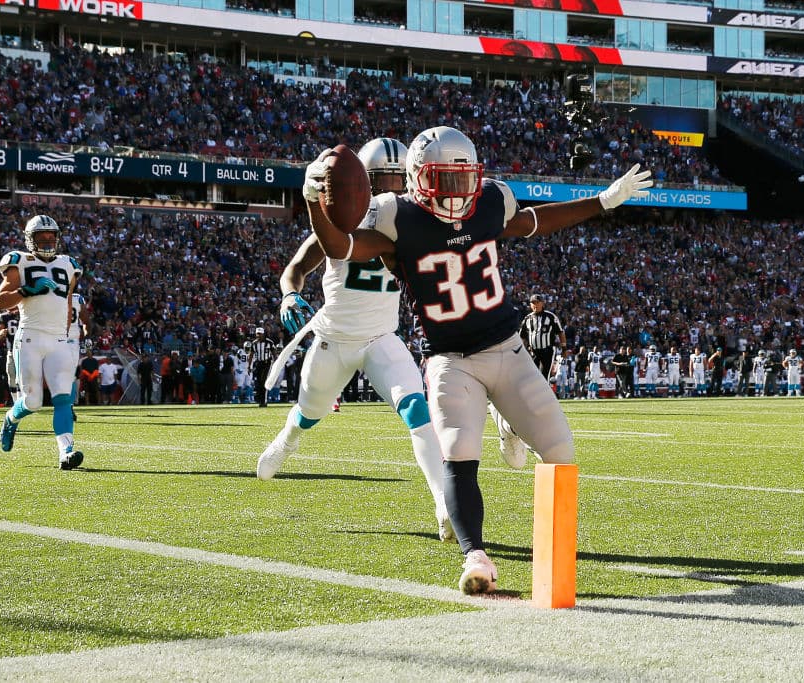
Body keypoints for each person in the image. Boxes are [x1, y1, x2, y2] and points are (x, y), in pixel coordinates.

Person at [303, 125, 652, 594]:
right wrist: (312, 202)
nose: (455, 192)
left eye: (462, 179)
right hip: (449, 359)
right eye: (443, 180)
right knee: (458, 453)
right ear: (417, 178)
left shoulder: (489, 199)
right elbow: (340, 247)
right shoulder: (395, 216)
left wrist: (603, 202)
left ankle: (545, 533)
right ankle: (477, 557)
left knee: (560, 452)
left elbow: (533, 221)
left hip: (506, 348)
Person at [256, 137, 453, 542]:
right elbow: (294, 269)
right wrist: (289, 295)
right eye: (381, 180)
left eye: (399, 181)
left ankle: (443, 504)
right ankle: (288, 439)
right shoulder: (336, 224)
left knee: (418, 410)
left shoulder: (410, 223)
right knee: (309, 411)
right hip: (333, 339)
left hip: (382, 337)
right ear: (357, 183)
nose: (391, 190)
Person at [0, 215, 84, 470]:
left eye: (51, 236)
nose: (47, 241)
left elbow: (67, 303)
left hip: (58, 339)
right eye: (41, 237)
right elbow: (1, 301)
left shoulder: (70, 264)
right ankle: (11, 418)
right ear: (30, 239)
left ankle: (66, 451)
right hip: (31, 336)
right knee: (33, 401)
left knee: (63, 397)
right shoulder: (19, 260)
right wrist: (27, 290)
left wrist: (66, 335)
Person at [519, 294, 565, 380]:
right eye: (533, 303)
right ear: (530, 305)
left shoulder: (550, 317)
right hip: (533, 352)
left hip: (547, 351)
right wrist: (522, 351)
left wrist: (564, 348)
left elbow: (560, 332)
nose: (535, 305)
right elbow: (522, 337)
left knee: (544, 376)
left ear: (542, 303)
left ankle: (544, 393)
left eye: (537, 302)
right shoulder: (527, 319)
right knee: (532, 376)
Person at [0, 307, 20, 404]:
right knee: (11, 374)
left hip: (26, 349)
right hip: (11, 350)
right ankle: (16, 402)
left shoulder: (25, 313)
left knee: (24, 376)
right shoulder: (4, 317)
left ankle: (25, 400)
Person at [248, 327, 277, 407]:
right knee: (258, 383)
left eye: (260, 334)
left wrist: (276, 364)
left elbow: (274, 354)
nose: (258, 335)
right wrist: (249, 366)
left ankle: (264, 401)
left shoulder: (269, 342)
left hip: (267, 363)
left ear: (263, 334)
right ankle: (260, 400)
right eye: (257, 334)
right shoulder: (254, 343)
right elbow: (251, 355)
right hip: (258, 363)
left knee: (264, 381)